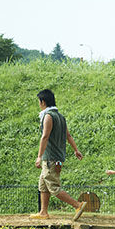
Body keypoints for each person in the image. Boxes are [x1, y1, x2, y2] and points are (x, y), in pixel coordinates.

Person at [30, 89, 87, 221]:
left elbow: (45, 137)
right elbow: (68, 135)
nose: (39, 104)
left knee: (53, 187)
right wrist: (76, 150)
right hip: (56, 158)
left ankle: (78, 205)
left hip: (50, 158)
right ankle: (43, 212)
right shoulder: (60, 117)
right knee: (43, 184)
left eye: (39, 102)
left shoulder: (48, 116)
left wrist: (39, 156)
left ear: (43, 102)